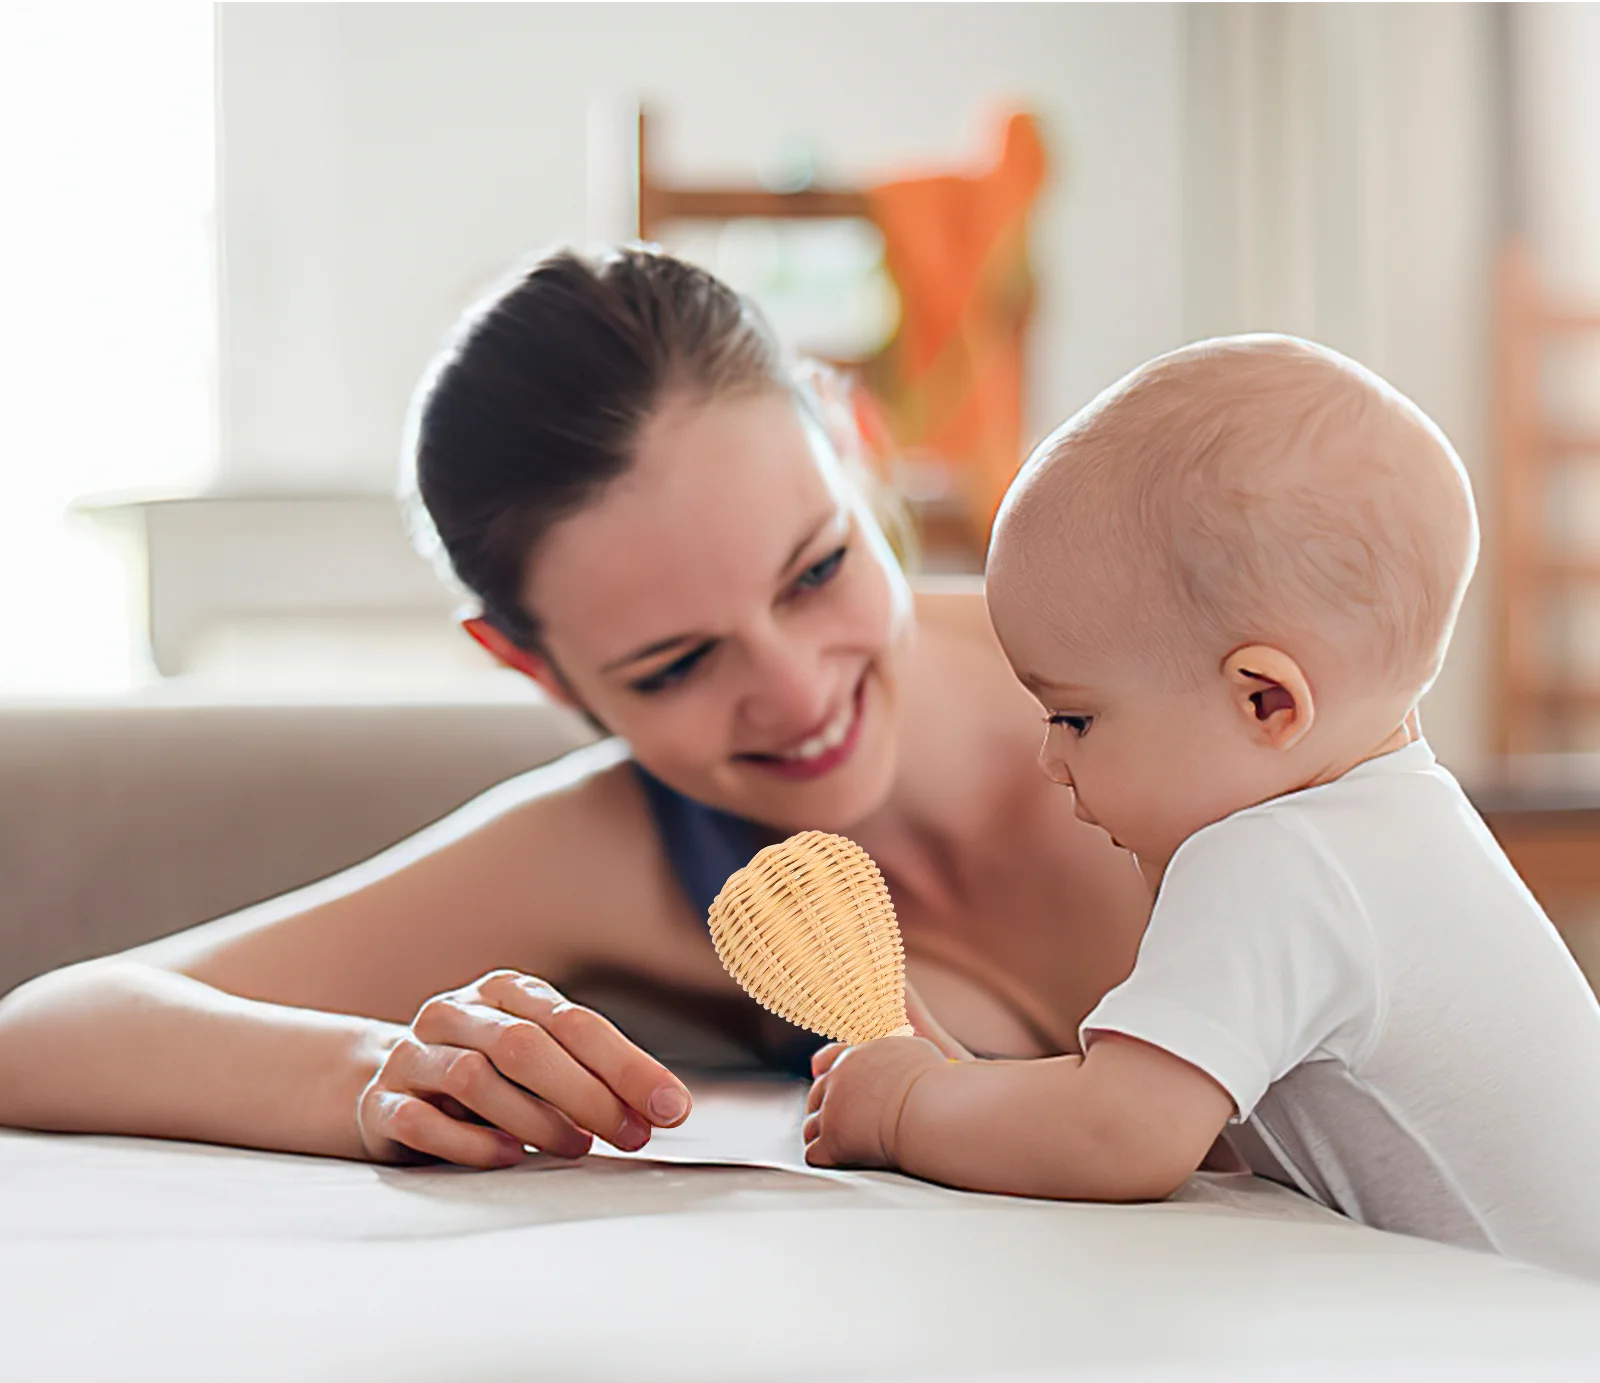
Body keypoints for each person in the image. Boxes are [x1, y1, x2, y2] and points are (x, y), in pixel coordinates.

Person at [0, 245, 1151, 1169]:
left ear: (851, 447)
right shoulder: (622, 847)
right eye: (674, 665)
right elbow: (46, 1032)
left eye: (814, 572)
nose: (796, 693)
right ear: (530, 666)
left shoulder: (1158, 645)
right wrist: (376, 1076)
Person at [803, 334, 1600, 1280]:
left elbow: (1121, 1133)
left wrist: (907, 1110)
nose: (1051, 761)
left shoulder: (1277, 859)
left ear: (1266, 701)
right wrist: (968, 1090)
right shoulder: (1397, 820)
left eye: (1076, 716)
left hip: (1548, 1356)